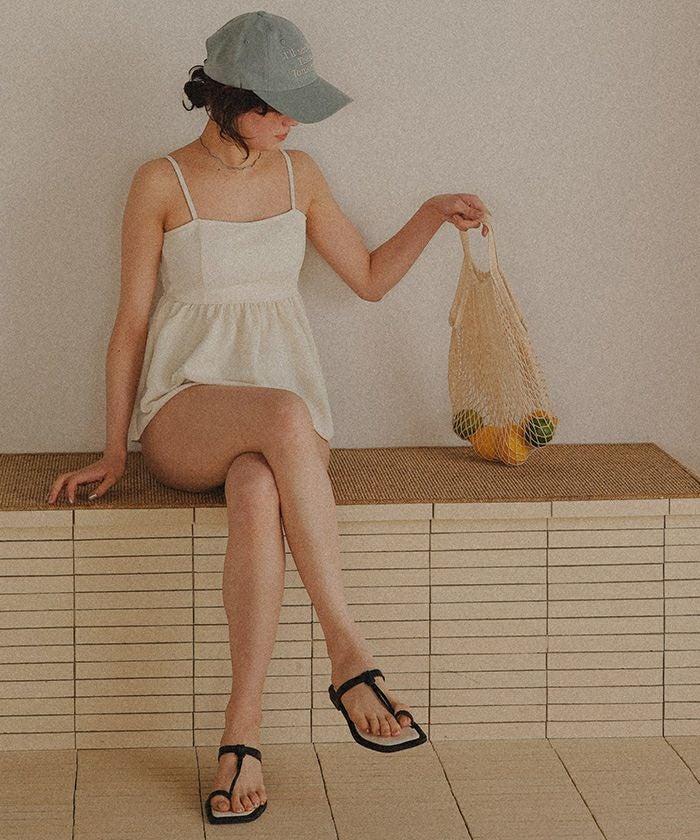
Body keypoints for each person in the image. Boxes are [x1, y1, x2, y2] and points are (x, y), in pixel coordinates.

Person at [45, 9, 489, 824]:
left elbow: (368, 279)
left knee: (258, 486)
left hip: (284, 429)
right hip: (186, 412)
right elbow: (131, 323)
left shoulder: (300, 174)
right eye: (278, 106)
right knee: (282, 416)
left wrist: (430, 213)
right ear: (228, 99)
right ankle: (347, 652)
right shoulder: (160, 182)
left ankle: (240, 732)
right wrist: (112, 449)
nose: (292, 122)